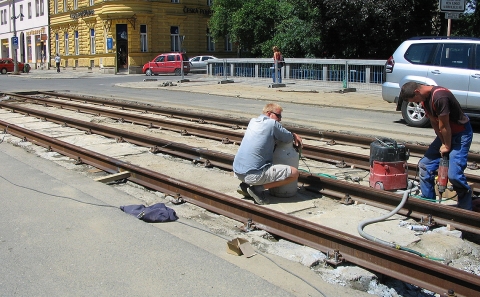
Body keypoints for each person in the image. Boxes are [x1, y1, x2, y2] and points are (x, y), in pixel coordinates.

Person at [399, 82, 473, 210]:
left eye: (414, 100)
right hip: (446, 134)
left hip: (461, 134)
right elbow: (435, 122)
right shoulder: (425, 99)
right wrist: (442, 140)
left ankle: (466, 208)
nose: (415, 103)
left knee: (454, 175)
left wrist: (447, 145)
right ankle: (429, 207)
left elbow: (444, 125)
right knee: (424, 166)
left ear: (417, 91)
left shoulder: (440, 97)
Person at [233, 103, 303, 205]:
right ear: (269, 113)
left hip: (237, 171)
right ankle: (257, 189)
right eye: (278, 116)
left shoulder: (253, 121)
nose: (280, 119)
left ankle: (245, 185)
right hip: (253, 175)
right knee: (294, 173)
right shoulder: (272, 124)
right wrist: (294, 134)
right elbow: (287, 138)